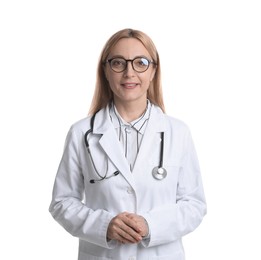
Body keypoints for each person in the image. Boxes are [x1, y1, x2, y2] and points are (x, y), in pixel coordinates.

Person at [49, 28, 207, 260]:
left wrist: (150, 224)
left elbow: (194, 205)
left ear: (153, 70)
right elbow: (62, 203)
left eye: (140, 63)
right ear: (105, 70)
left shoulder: (177, 132)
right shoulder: (82, 133)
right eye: (118, 63)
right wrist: (104, 225)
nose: (129, 72)